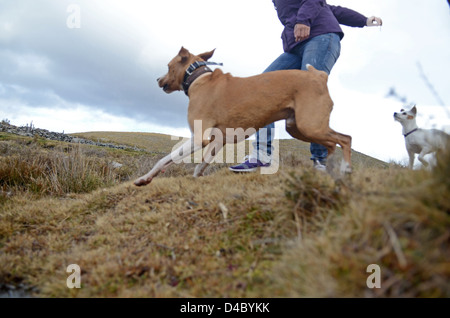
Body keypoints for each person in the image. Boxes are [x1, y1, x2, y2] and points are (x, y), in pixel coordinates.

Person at [229, 0, 382, 172]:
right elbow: (330, 9)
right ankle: (262, 154)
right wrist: (363, 19)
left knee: (310, 90)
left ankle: (321, 161)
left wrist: (303, 20)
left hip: (320, 36)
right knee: (260, 89)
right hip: (296, 46)